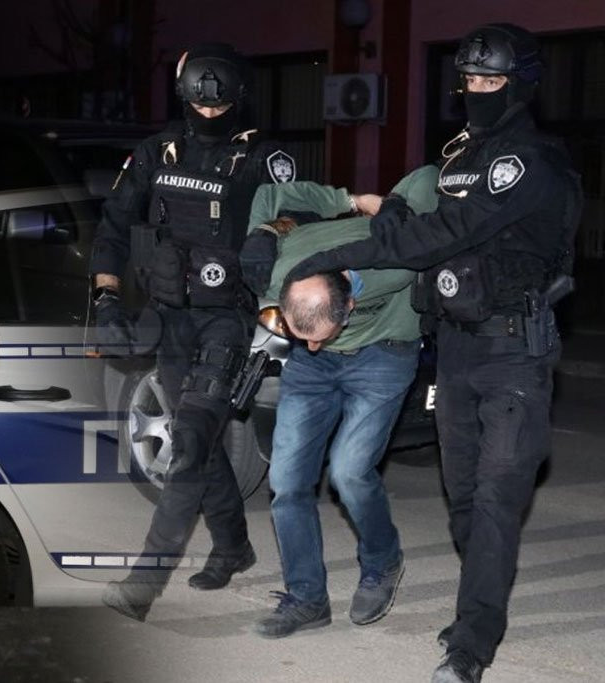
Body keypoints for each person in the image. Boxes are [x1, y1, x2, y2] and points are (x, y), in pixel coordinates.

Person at [285, 24, 582, 683]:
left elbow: (445, 233)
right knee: (464, 498)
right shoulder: (460, 158)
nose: (478, 90)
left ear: (521, 83)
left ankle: (472, 644)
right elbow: (424, 227)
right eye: (470, 80)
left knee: (497, 499)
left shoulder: (527, 162)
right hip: (455, 350)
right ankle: (480, 601)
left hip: (514, 353)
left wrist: (330, 256)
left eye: (491, 80)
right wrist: (391, 212)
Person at [91, 42, 297, 621]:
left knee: (189, 445)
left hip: (226, 319)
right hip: (170, 317)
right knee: (198, 440)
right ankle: (233, 546)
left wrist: (272, 230)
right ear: (184, 97)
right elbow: (112, 225)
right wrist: (107, 297)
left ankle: (142, 585)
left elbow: (300, 214)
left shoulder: (263, 157)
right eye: (200, 105)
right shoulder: (157, 152)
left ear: (238, 99)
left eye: (220, 106)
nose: (209, 114)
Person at [241, 167, 439, 639]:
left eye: (318, 336)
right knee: (287, 480)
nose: (309, 345)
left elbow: (430, 176)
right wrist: (349, 200)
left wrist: (395, 207)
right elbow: (269, 194)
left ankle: (383, 562)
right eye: (300, 335)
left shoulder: (395, 262)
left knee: (350, 472)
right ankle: (307, 599)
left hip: (383, 355)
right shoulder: (275, 270)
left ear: (349, 306)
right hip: (313, 374)